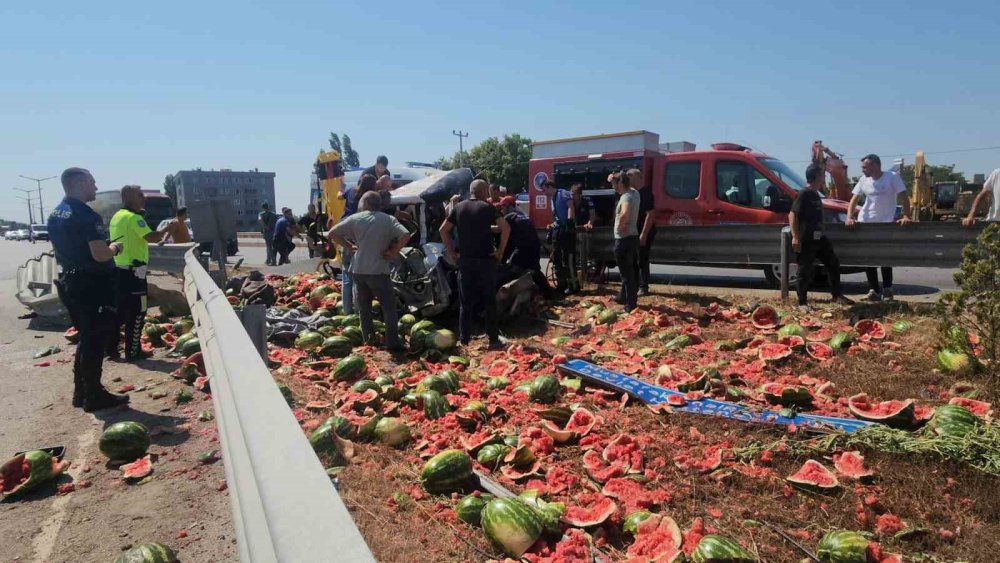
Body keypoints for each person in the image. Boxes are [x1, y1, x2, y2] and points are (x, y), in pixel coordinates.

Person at [48, 168, 130, 411]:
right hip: (92, 285)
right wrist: (115, 247)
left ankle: (81, 391)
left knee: (86, 337)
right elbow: (99, 254)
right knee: (95, 340)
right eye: (92, 183)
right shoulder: (86, 215)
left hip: (70, 282)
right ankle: (94, 395)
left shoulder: (57, 212)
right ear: (80, 183)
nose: (95, 187)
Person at [328, 192, 410, 352]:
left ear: (364, 203)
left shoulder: (355, 218)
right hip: (379, 269)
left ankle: (369, 340)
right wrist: (393, 252)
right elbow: (405, 235)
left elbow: (332, 234)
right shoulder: (388, 219)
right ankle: (392, 343)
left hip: (359, 270)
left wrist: (349, 246)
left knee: (364, 308)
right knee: (388, 308)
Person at [440, 179, 510, 348]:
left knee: (466, 301)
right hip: (486, 261)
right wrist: (500, 251)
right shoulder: (487, 208)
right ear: (483, 191)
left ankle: (464, 338)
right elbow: (506, 227)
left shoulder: (458, 208)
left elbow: (443, 230)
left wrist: (452, 252)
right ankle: (493, 338)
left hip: (465, 261)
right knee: (489, 300)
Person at [106, 186, 169, 362]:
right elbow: (152, 237)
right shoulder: (134, 218)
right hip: (134, 274)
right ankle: (133, 352)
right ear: (129, 197)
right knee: (137, 313)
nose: (144, 198)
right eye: (140, 195)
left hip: (119, 270)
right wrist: (166, 228)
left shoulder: (117, 216)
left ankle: (110, 348)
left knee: (119, 312)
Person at [846, 154, 911, 301]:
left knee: (884, 256)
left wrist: (906, 215)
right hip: (865, 223)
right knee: (868, 257)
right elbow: (854, 199)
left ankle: (887, 290)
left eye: (865, 167)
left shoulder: (892, 177)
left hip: (885, 223)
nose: (862, 170)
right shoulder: (863, 180)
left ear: (875, 165)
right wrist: (850, 217)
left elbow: (903, 196)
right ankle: (873, 290)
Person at [790, 165, 855, 309]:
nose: (824, 178)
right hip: (806, 238)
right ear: (815, 177)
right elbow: (793, 214)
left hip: (819, 237)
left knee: (833, 263)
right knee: (804, 270)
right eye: (822, 175)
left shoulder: (816, 194)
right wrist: (795, 237)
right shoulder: (804, 194)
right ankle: (802, 302)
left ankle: (837, 295)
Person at [500, 196, 552, 299]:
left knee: (512, 268)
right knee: (534, 270)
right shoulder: (523, 215)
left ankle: (513, 294)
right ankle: (548, 293)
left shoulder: (510, 217)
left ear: (508, 206)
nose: (502, 210)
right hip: (534, 246)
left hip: (524, 248)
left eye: (502, 207)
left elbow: (501, 231)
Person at [339, 175, 377, 314]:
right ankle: (358, 313)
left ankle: (347, 311)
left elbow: (339, 197)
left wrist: (339, 188)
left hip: (344, 232)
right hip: (359, 236)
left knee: (347, 277)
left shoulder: (350, 191)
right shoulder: (369, 198)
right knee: (358, 278)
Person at [613, 172, 641, 312]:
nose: (614, 187)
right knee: (629, 270)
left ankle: (631, 304)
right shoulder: (635, 192)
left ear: (621, 184)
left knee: (626, 274)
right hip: (633, 237)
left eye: (615, 184)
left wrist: (620, 226)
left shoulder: (626, 197)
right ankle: (623, 297)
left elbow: (625, 213)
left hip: (623, 239)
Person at [545, 180, 578, 294]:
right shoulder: (552, 200)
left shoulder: (562, 193)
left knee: (567, 259)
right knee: (557, 259)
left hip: (566, 230)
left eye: (545, 189)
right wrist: (551, 226)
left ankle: (574, 286)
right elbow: (556, 218)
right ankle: (561, 285)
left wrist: (569, 221)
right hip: (558, 231)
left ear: (550, 187)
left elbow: (570, 206)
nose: (544, 193)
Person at [628, 169, 657, 296]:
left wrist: (643, 234)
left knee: (642, 259)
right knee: (633, 258)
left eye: (630, 175)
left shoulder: (646, 193)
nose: (628, 178)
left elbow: (650, 214)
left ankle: (643, 287)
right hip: (633, 231)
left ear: (639, 177)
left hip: (644, 231)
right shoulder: (632, 193)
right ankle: (634, 285)